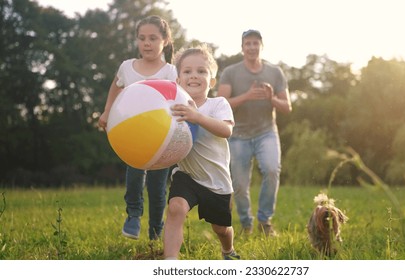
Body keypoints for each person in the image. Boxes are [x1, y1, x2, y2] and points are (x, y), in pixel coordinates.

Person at [98, 15, 176, 240]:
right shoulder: (127, 67)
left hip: (162, 137)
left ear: (165, 40)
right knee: (134, 177)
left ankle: (155, 230)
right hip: (133, 136)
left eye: (153, 38)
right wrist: (107, 110)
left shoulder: (170, 72)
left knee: (158, 187)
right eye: (142, 38)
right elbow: (116, 85)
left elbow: (178, 99)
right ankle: (133, 215)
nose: (147, 43)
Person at [163, 44, 239, 260]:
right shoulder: (171, 107)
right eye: (187, 71)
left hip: (217, 181)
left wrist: (197, 117)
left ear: (212, 81)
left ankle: (228, 250)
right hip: (186, 174)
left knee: (221, 228)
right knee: (176, 208)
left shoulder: (217, 104)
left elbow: (226, 130)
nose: (194, 76)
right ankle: (170, 263)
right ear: (178, 80)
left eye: (201, 71)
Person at [217, 29, 292, 237]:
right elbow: (221, 105)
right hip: (238, 135)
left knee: (271, 170)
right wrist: (247, 95)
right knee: (239, 185)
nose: (251, 47)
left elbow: (287, 107)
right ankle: (246, 223)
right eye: (247, 43)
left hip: (266, 132)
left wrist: (271, 99)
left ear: (261, 46)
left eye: (255, 43)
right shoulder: (230, 72)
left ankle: (265, 221)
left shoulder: (275, 72)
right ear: (242, 48)